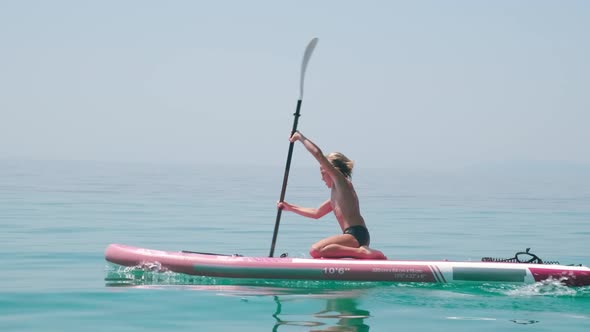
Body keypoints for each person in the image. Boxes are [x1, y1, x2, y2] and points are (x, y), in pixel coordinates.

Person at [277, 131, 387, 260]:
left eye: (323, 172)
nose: (321, 177)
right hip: (353, 236)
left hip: (356, 235)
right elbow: (316, 213)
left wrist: (300, 137)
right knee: (324, 253)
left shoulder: (341, 182)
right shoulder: (338, 196)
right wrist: (289, 207)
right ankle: (356, 255)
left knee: (315, 250)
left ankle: (364, 253)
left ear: (332, 170)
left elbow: (318, 154)